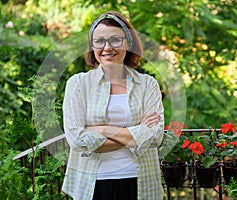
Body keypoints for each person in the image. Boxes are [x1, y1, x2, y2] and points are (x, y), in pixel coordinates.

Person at [62, 11, 165, 200]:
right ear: (92, 46)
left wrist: (101, 129)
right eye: (99, 41)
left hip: (140, 181)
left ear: (128, 43)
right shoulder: (77, 84)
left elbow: (155, 136)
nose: (107, 47)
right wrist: (136, 134)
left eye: (115, 40)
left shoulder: (148, 84)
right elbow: (77, 140)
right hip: (93, 184)